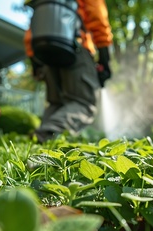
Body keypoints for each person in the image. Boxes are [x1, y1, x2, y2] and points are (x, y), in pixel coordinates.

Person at [23, 0, 113, 142]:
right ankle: (47, 134)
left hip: (46, 51)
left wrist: (35, 62)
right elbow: (97, 15)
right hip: (75, 46)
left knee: (56, 102)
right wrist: (104, 57)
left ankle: (39, 138)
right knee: (84, 103)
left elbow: (31, 32)